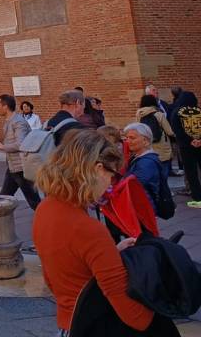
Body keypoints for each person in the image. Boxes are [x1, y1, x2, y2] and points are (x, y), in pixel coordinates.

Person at [33, 129, 156, 335]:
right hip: (95, 325)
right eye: (112, 175)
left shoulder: (45, 208)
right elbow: (132, 314)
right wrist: (157, 315)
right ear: (98, 169)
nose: (111, 183)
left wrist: (110, 252)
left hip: (68, 322)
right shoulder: (88, 228)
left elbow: (57, 273)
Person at [0, 94, 41, 210]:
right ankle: (1, 224)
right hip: (12, 166)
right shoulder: (9, 121)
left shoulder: (18, 122)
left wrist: (3, 146)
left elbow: (21, 144)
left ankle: (50, 222)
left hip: (21, 168)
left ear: (5, 106)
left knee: (34, 201)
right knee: (4, 198)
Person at [122, 123, 164, 215]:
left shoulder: (147, 162)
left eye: (132, 138)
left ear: (145, 140)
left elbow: (135, 185)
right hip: (141, 204)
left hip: (144, 207)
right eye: (127, 138)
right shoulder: (137, 156)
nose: (128, 141)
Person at [169, 89, 201, 207]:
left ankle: (198, 199)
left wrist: (190, 140)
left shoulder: (177, 112)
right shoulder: (198, 110)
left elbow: (177, 130)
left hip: (186, 146)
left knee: (191, 173)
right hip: (199, 144)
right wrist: (199, 140)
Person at [136, 94, 175, 176]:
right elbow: (169, 131)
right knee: (163, 171)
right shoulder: (159, 114)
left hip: (147, 144)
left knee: (152, 170)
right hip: (161, 145)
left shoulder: (139, 114)